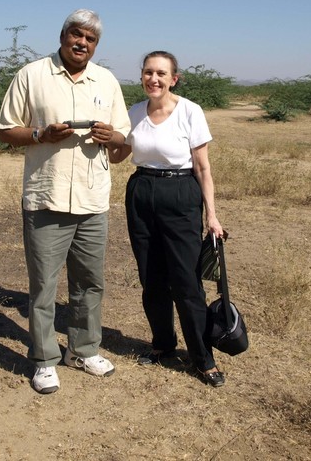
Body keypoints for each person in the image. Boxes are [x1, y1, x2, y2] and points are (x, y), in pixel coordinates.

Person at [0, 9, 130, 395]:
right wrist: (41, 134)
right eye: (77, 35)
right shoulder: (32, 75)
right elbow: (6, 131)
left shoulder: (105, 80)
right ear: (63, 35)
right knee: (43, 286)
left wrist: (112, 137)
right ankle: (44, 360)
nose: (82, 43)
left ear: (96, 45)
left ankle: (84, 350)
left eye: (90, 39)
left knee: (90, 282)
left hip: (92, 200)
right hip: (46, 197)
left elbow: (124, 137)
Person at [109, 51, 226, 387]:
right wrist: (107, 139)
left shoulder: (190, 111)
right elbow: (120, 156)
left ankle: (203, 358)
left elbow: (203, 167)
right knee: (152, 278)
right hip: (141, 192)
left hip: (180, 193)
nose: (153, 79)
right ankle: (163, 345)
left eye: (161, 73)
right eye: (148, 73)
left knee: (187, 283)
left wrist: (212, 217)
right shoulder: (134, 112)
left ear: (174, 78)